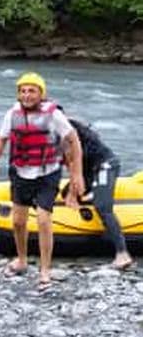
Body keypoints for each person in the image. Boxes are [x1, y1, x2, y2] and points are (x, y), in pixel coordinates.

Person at [0, 72, 84, 293]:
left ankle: (45, 270)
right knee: (19, 222)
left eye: (32, 90)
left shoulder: (54, 115)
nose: (27, 95)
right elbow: (1, 139)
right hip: (21, 172)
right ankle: (21, 260)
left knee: (42, 220)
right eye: (23, 91)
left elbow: (73, 139)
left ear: (41, 93)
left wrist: (76, 173)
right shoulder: (12, 113)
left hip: (47, 173)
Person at [59, 110, 135, 271]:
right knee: (65, 194)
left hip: (104, 165)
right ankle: (93, 194)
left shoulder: (69, 130)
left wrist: (74, 192)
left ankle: (122, 253)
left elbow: (74, 165)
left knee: (102, 206)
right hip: (89, 169)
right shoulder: (52, 133)